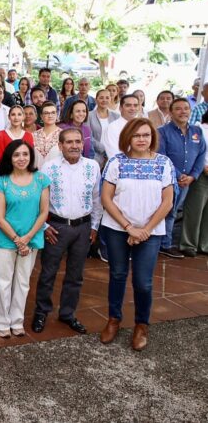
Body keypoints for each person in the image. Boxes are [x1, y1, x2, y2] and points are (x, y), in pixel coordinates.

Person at [99, 118, 175, 351]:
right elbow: (106, 198)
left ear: (152, 137)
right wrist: (129, 227)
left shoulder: (163, 163)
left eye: (146, 135)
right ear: (128, 138)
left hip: (150, 232)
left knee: (143, 281)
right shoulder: (116, 162)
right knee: (118, 274)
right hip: (117, 229)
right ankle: (114, 319)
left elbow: (168, 202)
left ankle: (142, 324)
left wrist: (145, 230)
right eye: (137, 135)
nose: (142, 139)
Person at [32, 128, 101, 335]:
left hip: (83, 227)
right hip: (57, 227)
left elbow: (97, 199)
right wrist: (44, 226)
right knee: (48, 273)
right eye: (69, 142)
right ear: (60, 146)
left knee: (75, 275)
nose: (74, 146)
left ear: (83, 144)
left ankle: (68, 314)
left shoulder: (93, 166)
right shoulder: (49, 168)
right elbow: (38, 200)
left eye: (77, 142)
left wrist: (95, 226)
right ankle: (41, 312)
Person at [0, 139, 50, 338]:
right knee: (3, 281)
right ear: (10, 157)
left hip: (31, 238)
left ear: (31, 156)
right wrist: (18, 240)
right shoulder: (3, 182)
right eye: (16, 155)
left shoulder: (41, 179)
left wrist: (27, 238)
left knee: (23, 282)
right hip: (5, 239)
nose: (21, 158)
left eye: (25, 154)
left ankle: (17, 321)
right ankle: (1, 321)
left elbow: (43, 213)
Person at [157, 98, 206, 258]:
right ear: (171, 113)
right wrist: (178, 175)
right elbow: (161, 155)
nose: (183, 111)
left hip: (186, 182)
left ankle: (165, 244)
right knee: (164, 210)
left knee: (174, 211)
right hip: (167, 180)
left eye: (186, 108)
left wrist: (193, 176)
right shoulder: (162, 132)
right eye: (178, 109)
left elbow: (201, 155)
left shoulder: (197, 132)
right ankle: (159, 243)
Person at [180, 113, 208, 256]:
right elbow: (198, 152)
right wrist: (203, 167)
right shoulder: (200, 129)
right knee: (195, 210)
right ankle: (188, 244)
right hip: (201, 174)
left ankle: (205, 245)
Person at [103, 94, 141, 161]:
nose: (132, 108)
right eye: (128, 105)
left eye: (135, 105)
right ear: (120, 108)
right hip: (121, 167)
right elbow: (114, 155)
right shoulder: (112, 128)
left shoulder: (143, 127)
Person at [88, 89, 120, 166]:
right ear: (96, 100)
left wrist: (111, 149)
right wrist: (103, 149)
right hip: (95, 154)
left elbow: (119, 135)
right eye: (101, 98)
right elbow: (88, 136)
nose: (104, 100)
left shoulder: (116, 116)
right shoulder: (89, 116)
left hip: (113, 153)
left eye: (107, 98)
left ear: (110, 99)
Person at [33, 101, 61, 167]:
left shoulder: (63, 135)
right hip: (36, 174)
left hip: (56, 174)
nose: (50, 115)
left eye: (53, 112)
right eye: (46, 113)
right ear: (41, 116)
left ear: (57, 115)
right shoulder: (33, 135)